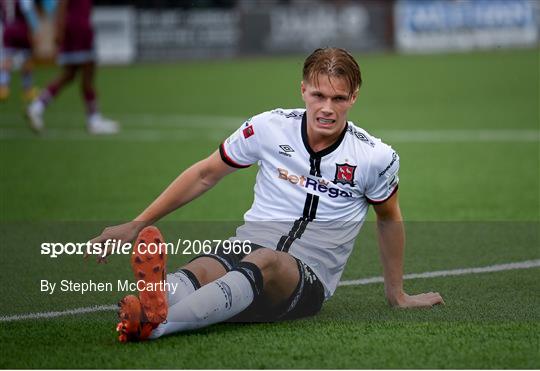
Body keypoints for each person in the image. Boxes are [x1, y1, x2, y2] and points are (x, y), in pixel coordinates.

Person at [89, 48, 444, 342]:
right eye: (319, 95)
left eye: (338, 98)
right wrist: (136, 225)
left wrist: (396, 294)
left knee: (266, 262)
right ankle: (151, 303)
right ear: (303, 89)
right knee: (205, 266)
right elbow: (204, 174)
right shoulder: (268, 127)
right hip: (248, 243)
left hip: (307, 275)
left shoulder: (375, 157)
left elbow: (388, 219)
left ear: (353, 97)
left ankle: (157, 325)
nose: (327, 108)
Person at [26, 0, 118, 135]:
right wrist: (59, 30)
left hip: (76, 28)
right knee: (87, 76)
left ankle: (37, 106)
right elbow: (62, 6)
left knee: (69, 75)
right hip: (78, 30)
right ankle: (94, 120)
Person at [0, 0, 41, 102]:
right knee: (27, 60)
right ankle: (27, 89)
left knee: (6, 59)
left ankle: (3, 87)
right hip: (22, 30)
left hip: (8, 30)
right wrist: (36, 29)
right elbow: (28, 11)